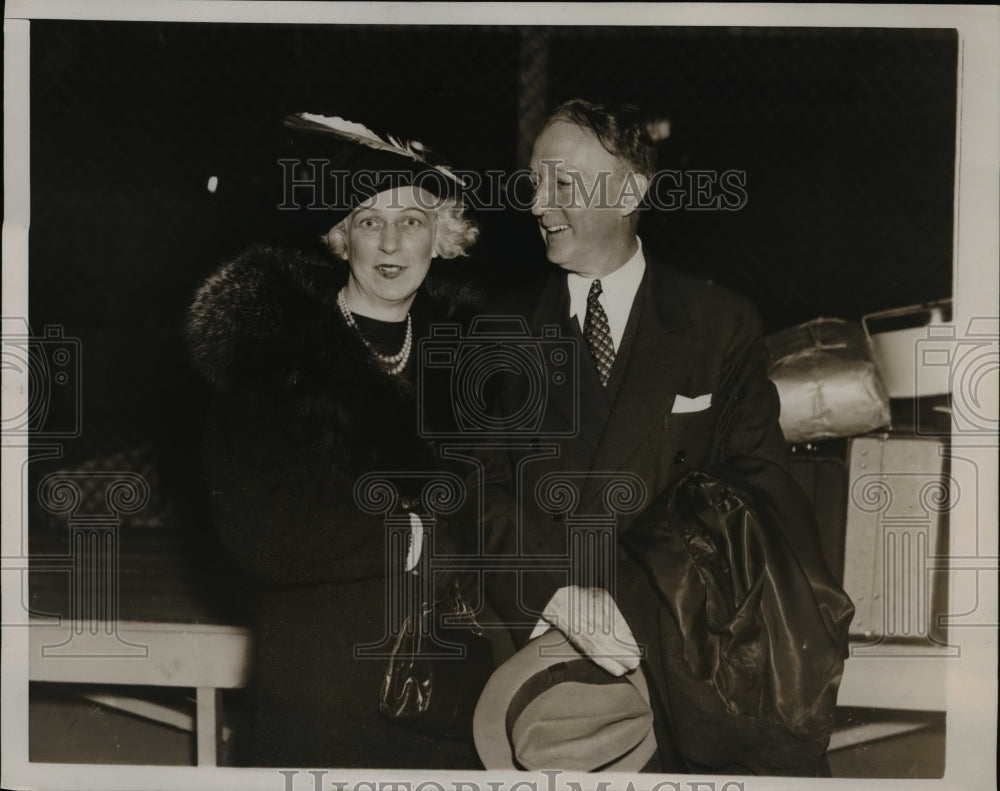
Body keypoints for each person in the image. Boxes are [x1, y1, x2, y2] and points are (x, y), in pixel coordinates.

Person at [467, 99, 854, 775]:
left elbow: (760, 489)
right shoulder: (494, 328)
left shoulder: (719, 322)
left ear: (630, 191)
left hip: (685, 660)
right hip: (548, 680)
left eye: (562, 182)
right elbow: (473, 491)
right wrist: (556, 592)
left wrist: (635, 600)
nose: (538, 203)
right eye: (533, 182)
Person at [185, 114, 483, 768]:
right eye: (369, 221)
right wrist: (410, 535)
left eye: (411, 220)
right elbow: (261, 528)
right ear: (342, 238)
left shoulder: (472, 365)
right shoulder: (274, 359)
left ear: (442, 236)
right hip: (322, 684)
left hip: (446, 690)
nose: (390, 242)